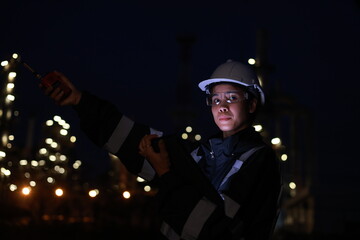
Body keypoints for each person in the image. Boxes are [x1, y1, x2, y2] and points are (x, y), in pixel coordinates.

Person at [43, 59, 282, 240]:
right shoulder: (200, 153)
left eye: (232, 98)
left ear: (251, 104)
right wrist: (80, 101)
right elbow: (131, 138)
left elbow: (213, 231)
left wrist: (167, 176)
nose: (222, 107)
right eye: (216, 99)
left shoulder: (259, 162)